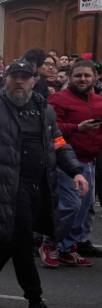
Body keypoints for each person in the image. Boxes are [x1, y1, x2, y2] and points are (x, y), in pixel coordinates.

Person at [0, 61, 89, 308]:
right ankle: (34, 300)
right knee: (23, 240)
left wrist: (76, 171)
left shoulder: (44, 109)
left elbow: (58, 143)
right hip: (7, 185)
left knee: (11, 239)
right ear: (5, 80)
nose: (19, 81)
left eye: (24, 77)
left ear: (33, 81)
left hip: (38, 185)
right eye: (14, 76)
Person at [44, 60, 102, 263]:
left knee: (84, 210)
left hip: (90, 162)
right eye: (78, 76)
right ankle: (50, 243)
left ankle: (67, 248)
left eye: (87, 75)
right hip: (66, 162)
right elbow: (50, 128)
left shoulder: (98, 101)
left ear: (95, 78)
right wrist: (77, 128)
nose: (82, 79)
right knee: (70, 206)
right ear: (70, 78)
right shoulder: (58, 99)